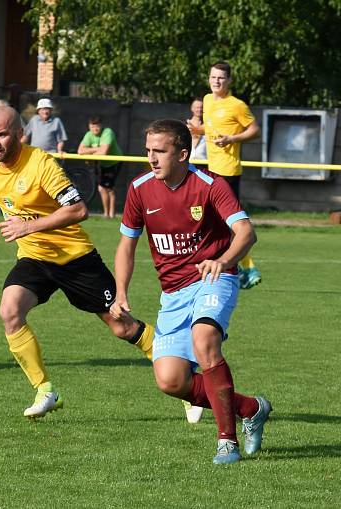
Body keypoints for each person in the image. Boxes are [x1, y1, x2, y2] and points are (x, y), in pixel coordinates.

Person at [0, 106, 154, 419]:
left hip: (76, 258)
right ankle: (45, 390)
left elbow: (79, 210)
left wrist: (27, 226)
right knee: (9, 311)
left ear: (19, 134)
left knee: (122, 328)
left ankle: (184, 375)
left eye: (1, 134)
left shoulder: (41, 164)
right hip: (34, 257)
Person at [113, 118, 271, 464]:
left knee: (204, 341)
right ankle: (251, 408)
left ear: (183, 153)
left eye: (160, 151)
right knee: (170, 381)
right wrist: (121, 291)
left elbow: (245, 232)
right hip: (172, 294)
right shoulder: (139, 189)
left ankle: (226, 441)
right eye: (148, 151)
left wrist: (223, 259)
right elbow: (126, 245)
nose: (152, 158)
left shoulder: (209, 185)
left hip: (216, 278)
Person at [188, 61, 261, 289]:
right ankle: (237, 267)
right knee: (214, 221)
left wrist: (232, 139)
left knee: (230, 223)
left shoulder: (236, 105)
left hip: (228, 170)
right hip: (211, 169)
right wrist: (196, 130)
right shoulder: (208, 100)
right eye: (213, 77)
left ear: (229, 81)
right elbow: (211, 128)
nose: (216, 81)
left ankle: (247, 268)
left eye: (221, 78)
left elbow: (254, 129)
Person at [77, 116, 123, 218]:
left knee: (107, 188)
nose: (95, 129)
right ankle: (108, 214)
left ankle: (109, 214)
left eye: (97, 126)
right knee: (104, 188)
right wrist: (98, 148)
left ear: (101, 126)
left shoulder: (107, 132)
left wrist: (89, 154)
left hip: (114, 162)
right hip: (102, 163)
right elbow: (80, 151)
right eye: (92, 126)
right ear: (89, 127)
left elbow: (103, 152)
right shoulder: (89, 135)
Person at [186, 98, 207, 170]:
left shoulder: (208, 126)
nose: (199, 110)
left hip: (204, 162)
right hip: (188, 161)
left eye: (201, 107)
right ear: (192, 108)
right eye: (197, 107)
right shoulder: (186, 125)